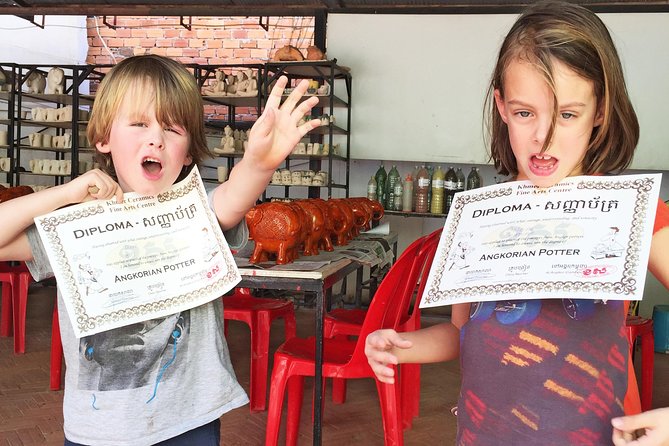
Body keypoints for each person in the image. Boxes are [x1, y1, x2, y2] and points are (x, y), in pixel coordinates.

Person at [364, 2, 669, 445]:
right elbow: (460, 329)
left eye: (567, 114)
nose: (543, 139)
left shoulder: (634, 212)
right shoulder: (479, 217)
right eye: (526, 113)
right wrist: (403, 347)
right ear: (502, 106)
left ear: (599, 111)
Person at [0, 54, 321, 445]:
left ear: (187, 152)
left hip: (189, 422)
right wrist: (66, 194)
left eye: (172, 128)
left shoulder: (195, 211)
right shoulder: (75, 224)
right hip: (100, 429)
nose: (155, 138)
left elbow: (234, 199)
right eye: (139, 124)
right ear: (104, 138)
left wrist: (258, 163)